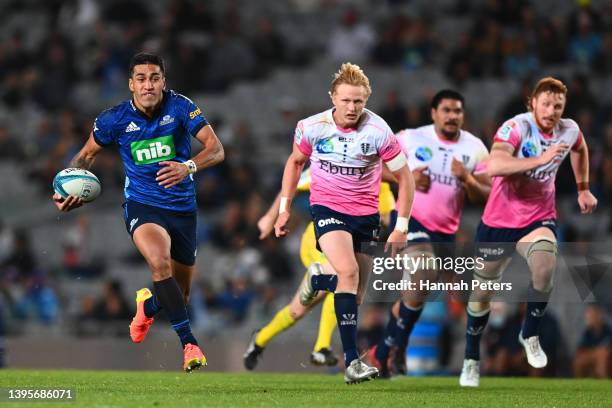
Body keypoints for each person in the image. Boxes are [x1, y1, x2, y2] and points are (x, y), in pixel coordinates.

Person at [52, 52, 225, 372]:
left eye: (155, 78)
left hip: (183, 209)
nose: (148, 84)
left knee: (180, 295)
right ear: (131, 84)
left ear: (163, 81)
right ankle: (190, 345)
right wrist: (65, 189)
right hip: (143, 206)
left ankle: (147, 306)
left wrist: (187, 166)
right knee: (160, 264)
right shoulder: (113, 119)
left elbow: (216, 149)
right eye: (141, 79)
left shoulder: (181, 107)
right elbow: (85, 156)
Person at [273, 62, 415, 384]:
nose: (352, 108)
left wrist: (400, 226)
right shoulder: (312, 127)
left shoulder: (379, 132)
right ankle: (352, 363)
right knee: (348, 273)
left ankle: (317, 283)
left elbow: (406, 179)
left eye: (359, 101)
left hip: (365, 217)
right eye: (346, 100)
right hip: (327, 209)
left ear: (366, 100)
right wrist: (284, 209)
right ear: (333, 98)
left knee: (354, 293)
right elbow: (295, 162)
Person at [459, 77, 598, 387]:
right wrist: (540, 159)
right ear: (532, 102)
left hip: (538, 218)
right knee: (481, 294)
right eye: (546, 103)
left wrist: (583, 188)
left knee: (546, 263)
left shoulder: (569, 129)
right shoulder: (516, 127)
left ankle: (530, 333)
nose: (551, 110)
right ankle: (471, 359)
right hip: (498, 222)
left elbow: (580, 148)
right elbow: (495, 166)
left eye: (558, 106)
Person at [368, 89, 491, 377]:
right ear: (434, 113)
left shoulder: (475, 148)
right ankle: (398, 345)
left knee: (417, 293)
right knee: (423, 274)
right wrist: (406, 177)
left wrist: (468, 180)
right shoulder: (411, 137)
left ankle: (383, 353)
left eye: (457, 111)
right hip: (409, 220)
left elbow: (486, 195)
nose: (452, 116)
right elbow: (373, 166)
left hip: (446, 232)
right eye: (446, 110)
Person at [243, 168, 396, 370]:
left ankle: (259, 339)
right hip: (317, 239)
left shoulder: (381, 188)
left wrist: (388, 226)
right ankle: (322, 346)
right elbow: (294, 183)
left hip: (346, 249)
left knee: (297, 311)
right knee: (344, 278)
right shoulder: (335, 164)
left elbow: (388, 219)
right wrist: (271, 217)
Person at [574, 305, 611, 378]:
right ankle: (580, 383)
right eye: (588, 316)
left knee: (602, 354)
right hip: (591, 356)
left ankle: (603, 380)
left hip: (606, 357)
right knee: (579, 362)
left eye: (592, 316)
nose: (590, 318)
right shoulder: (587, 332)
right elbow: (580, 349)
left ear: (599, 316)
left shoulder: (608, 330)